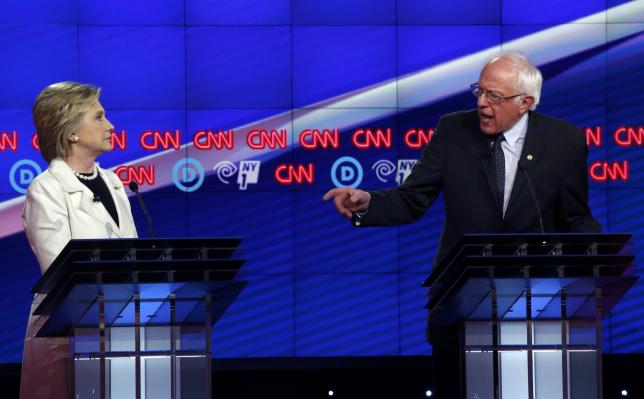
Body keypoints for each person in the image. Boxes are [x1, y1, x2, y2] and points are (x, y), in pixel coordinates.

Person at [323, 51, 600, 396]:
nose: (482, 103)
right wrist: (367, 203)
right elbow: (412, 199)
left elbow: (575, 215)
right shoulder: (453, 130)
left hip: (535, 304)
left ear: (525, 102)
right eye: (480, 91)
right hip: (462, 303)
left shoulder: (564, 141)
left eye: (494, 96)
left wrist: (592, 254)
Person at [20, 82, 138, 399]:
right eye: (99, 117)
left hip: (122, 328)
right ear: (71, 131)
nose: (111, 126)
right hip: (71, 334)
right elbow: (60, 270)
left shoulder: (113, 182)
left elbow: (134, 257)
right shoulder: (46, 189)